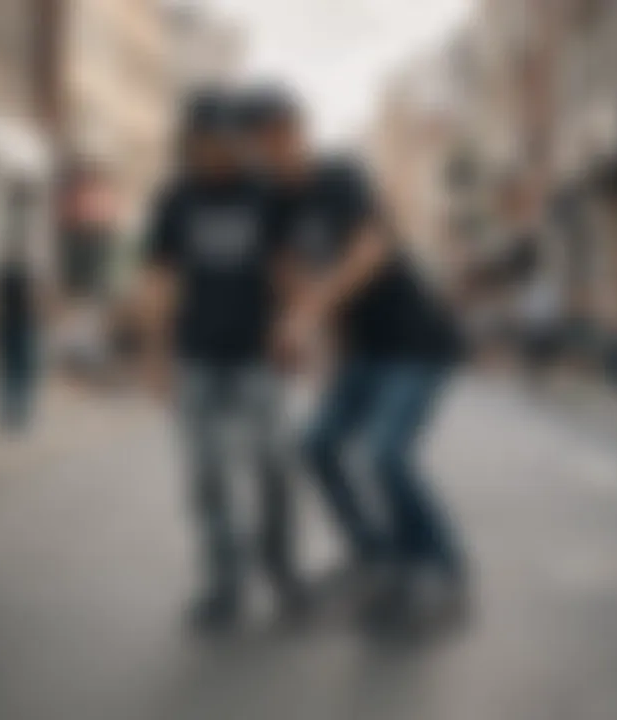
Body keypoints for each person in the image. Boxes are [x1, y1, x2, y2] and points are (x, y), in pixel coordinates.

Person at [242, 90, 468, 629]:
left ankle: (440, 568)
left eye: (279, 137)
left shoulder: (340, 177)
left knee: (386, 454)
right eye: (258, 144)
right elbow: (290, 276)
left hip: (415, 342)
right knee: (317, 445)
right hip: (363, 351)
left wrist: (311, 311)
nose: (271, 153)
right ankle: (375, 556)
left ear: (297, 133)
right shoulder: (275, 205)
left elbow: (370, 251)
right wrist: (303, 338)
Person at [141, 90, 303, 630]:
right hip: (198, 357)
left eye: (221, 140)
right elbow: (162, 279)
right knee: (206, 474)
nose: (212, 151)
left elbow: (285, 267)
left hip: (257, 356)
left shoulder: (265, 195)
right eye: (201, 141)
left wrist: (294, 326)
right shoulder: (175, 199)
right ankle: (222, 585)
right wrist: (158, 355)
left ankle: (281, 571)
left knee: (275, 463)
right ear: (190, 142)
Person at [0, 216, 40, 432]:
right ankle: (18, 413)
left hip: (7, 325)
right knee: (21, 370)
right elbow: (33, 300)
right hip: (20, 326)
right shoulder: (24, 275)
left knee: (8, 370)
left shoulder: (2, 274)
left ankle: (8, 412)